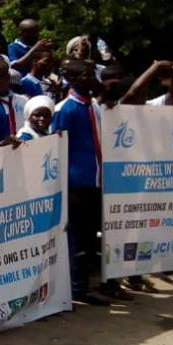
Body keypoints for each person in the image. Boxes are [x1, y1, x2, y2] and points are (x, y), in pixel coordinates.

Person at [51, 59, 109, 306]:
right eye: (86, 74)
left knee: (87, 238)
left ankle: (84, 285)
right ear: (73, 79)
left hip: (94, 181)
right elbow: (58, 149)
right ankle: (77, 289)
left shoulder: (93, 106)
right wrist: (66, 186)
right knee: (76, 239)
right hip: (76, 185)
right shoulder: (66, 109)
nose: (91, 78)